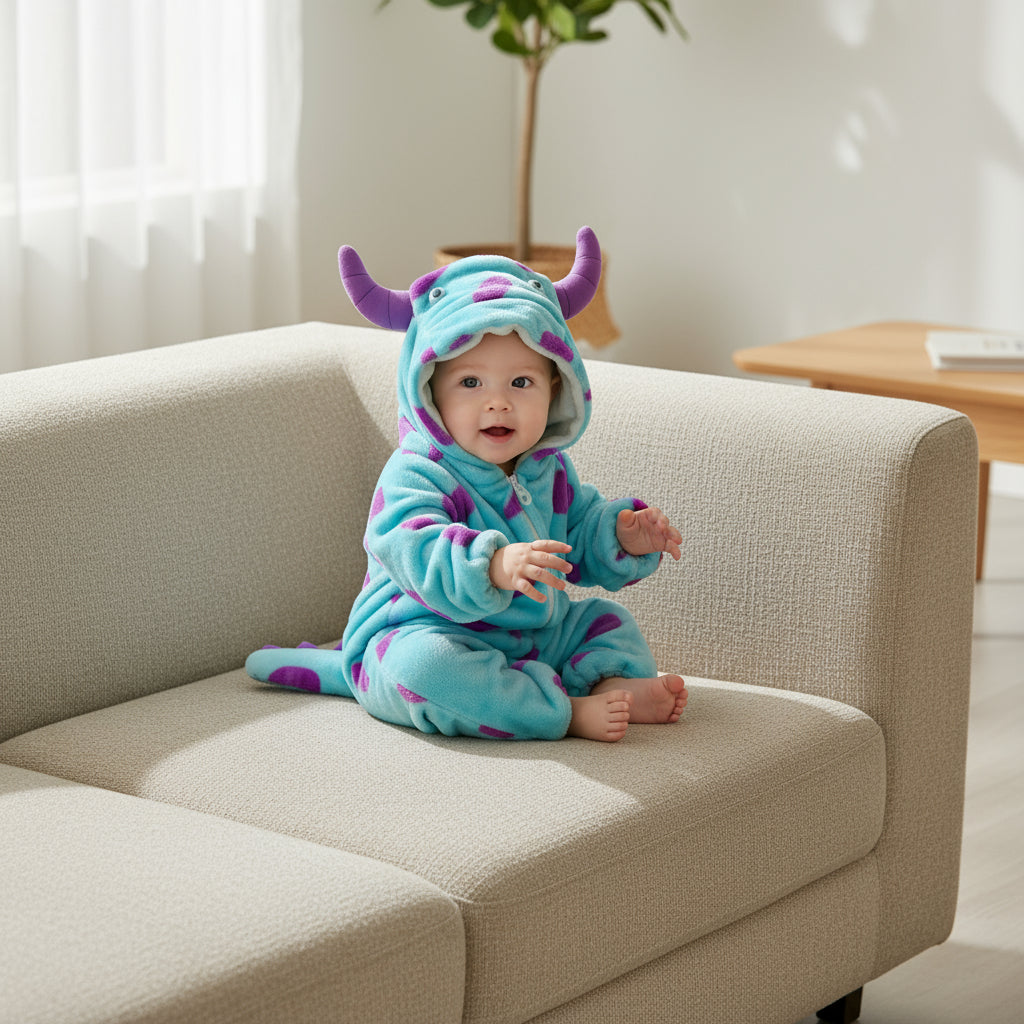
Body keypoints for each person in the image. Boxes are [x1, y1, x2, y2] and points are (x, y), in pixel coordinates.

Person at [246, 227, 687, 742]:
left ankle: (614, 682)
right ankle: (562, 710)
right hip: (423, 629)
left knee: (606, 622)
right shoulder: (417, 471)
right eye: (470, 383)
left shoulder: (547, 469)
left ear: (557, 389)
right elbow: (412, 542)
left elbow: (576, 535)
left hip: (532, 633)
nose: (497, 402)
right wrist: (493, 564)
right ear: (429, 390)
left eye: (521, 383)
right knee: (423, 669)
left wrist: (621, 534)